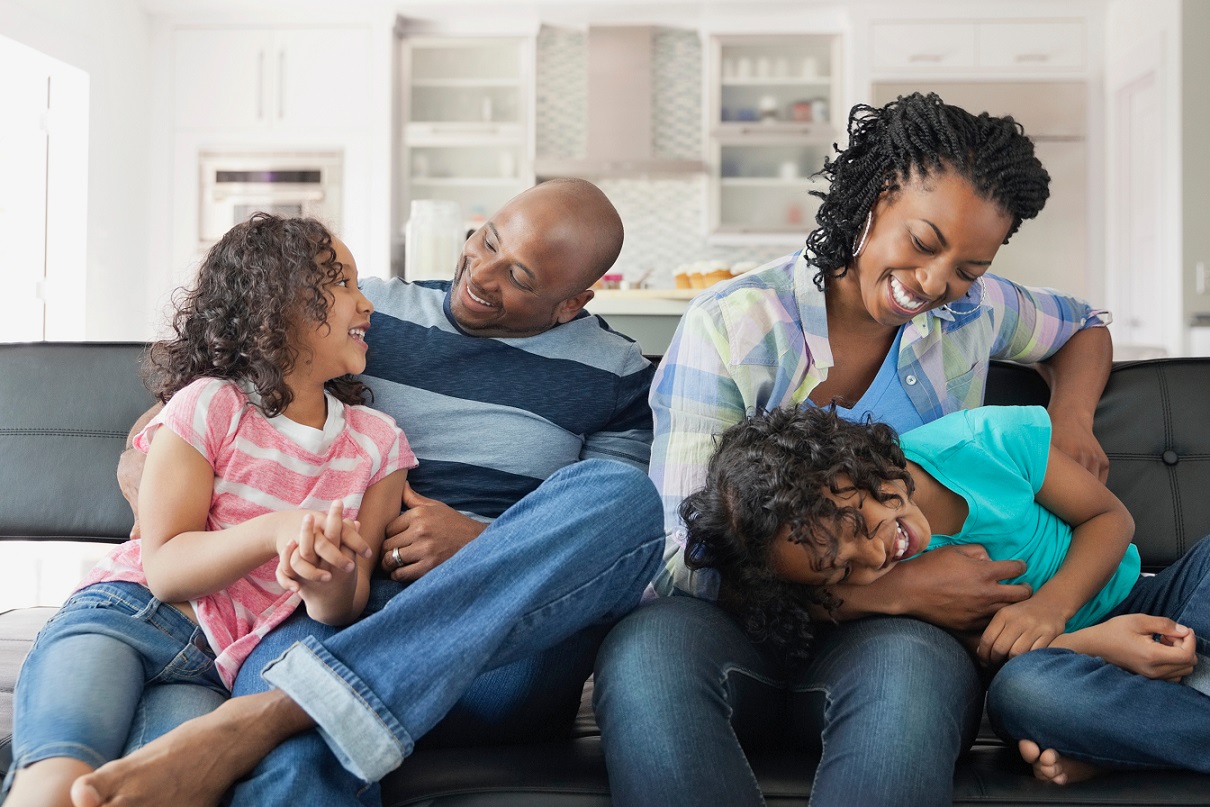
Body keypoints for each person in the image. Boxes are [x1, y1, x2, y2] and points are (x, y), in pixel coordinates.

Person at [68, 177, 666, 807]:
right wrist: (147, 470)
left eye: (517, 276)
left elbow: (609, 555)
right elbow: (191, 408)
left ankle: (280, 711)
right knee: (298, 755)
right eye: (485, 241)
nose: (480, 274)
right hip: (327, 608)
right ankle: (299, 710)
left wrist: (480, 543)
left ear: (572, 304)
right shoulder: (366, 311)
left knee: (625, 497)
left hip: (498, 650)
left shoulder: (620, 376)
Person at [593, 91, 1114, 807]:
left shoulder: (975, 309)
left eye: (969, 265)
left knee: (913, 676)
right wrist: (887, 590)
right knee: (644, 653)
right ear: (870, 199)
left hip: (900, 640)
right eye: (925, 243)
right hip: (726, 628)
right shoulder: (736, 326)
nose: (936, 284)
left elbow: (1083, 327)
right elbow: (679, 559)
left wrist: (1074, 418)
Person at [2, 213, 417, 807]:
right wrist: (277, 530)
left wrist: (328, 579)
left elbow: (342, 610)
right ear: (283, 305)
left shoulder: (378, 445)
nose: (367, 304)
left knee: (163, 789)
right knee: (58, 778)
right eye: (344, 283)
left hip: (213, 666)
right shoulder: (209, 405)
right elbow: (166, 565)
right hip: (127, 616)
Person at [682, 404, 1210, 785]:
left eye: (858, 523)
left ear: (853, 458)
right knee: (1027, 697)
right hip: (1060, 667)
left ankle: (1127, 743)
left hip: (1150, 604)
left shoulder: (984, 443)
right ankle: (1146, 728)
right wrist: (1093, 645)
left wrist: (1052, 606)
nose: (875, 556)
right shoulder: (879, 594)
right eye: (840, 571)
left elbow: (1110, 517)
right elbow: (993, 662)